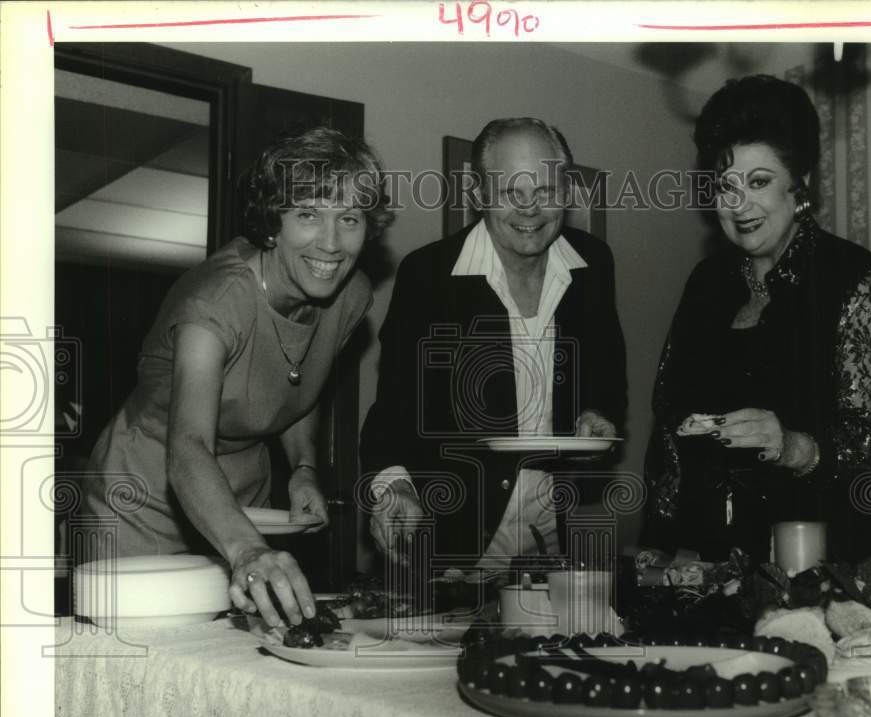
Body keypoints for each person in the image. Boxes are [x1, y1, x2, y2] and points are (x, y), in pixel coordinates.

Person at [84, 126, 393, 627]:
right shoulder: (216, 302)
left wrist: (303, 469)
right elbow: (187, 445)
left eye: (350, 218)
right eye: (308, 214)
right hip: (145, 492)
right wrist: (248, 551)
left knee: (235, 658)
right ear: (274, 222)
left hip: (242, 493)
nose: (332, 244)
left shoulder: (350, 295)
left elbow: (296, 383)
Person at [642, 75, 871, 565]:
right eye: (725, 185)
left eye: (759, 181)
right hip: (708, 564)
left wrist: (791, 445)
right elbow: (669, 432)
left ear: (798, 183)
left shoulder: (854, 277)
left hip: (822, 565)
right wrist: (658, 545)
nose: (738, 203)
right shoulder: (706, 282)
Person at [360, 117, 626, 572]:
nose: (529, 210)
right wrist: (393, 485)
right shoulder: (427, 274)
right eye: (509, 192)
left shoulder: (593, 264)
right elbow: (394, 408)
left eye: (544, 191)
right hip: (453, 532)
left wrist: (597, 415)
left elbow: (607, 374)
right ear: (478, 194)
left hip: (552, 529)